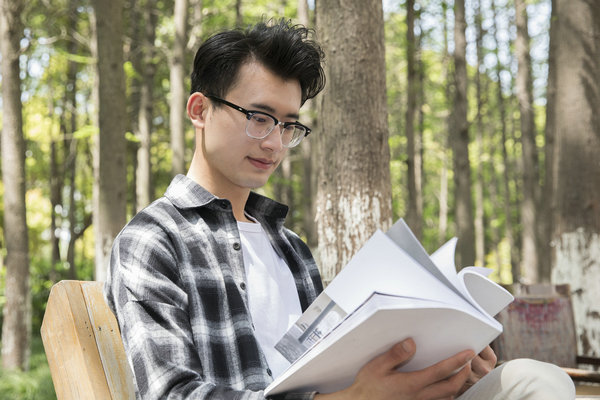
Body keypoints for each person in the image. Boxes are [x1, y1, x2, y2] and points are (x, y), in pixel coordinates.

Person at [105, 19, 575, 400]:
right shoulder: (155, 240)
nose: (274, 143)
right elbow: (171, 393)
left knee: (537, 381)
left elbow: (333, 363)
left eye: (289, 125)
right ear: (199, 110)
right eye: (258, 118)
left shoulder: (290, 249)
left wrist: (447, 366)